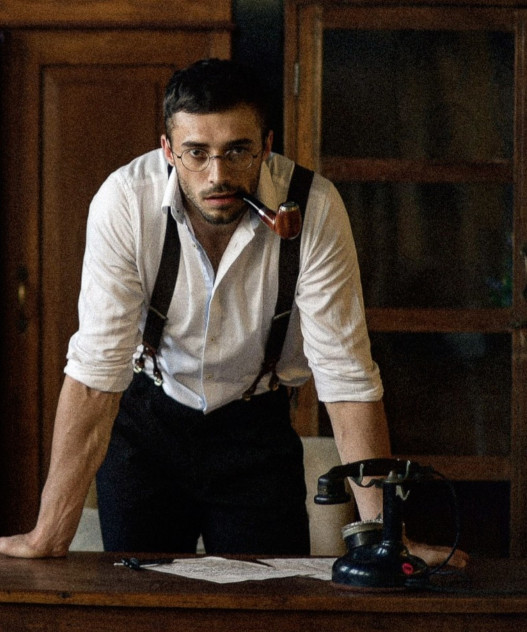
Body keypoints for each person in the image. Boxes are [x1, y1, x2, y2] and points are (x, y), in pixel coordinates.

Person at [0, 58, 467, 566]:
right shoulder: (126, 203)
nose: (217, 175)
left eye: (237, 151)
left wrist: (388, 537)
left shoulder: (313, 208)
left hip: (256, 430)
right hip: (148, 426)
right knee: (142, 597)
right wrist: (49, 536)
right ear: (168, 150)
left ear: (266, 146)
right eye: (196, 153)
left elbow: (346, 378)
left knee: (271, 596)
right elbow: (95, 376)